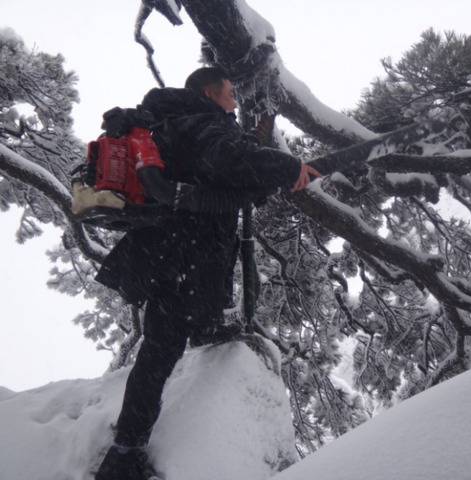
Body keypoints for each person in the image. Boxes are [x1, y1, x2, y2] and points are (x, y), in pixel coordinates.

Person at [94, 67, 320, 479]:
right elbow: (228, 159)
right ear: (208, 91)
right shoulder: (202, 121)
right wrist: (286, 168)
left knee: (170, 333)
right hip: (184, 251)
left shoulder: (174, 121)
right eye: (230, 92)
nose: (235, 100)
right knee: (161, 348)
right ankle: (124, 453)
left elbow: (213, 178)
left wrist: (255, 185)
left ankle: (206, 329)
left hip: (173, 248)